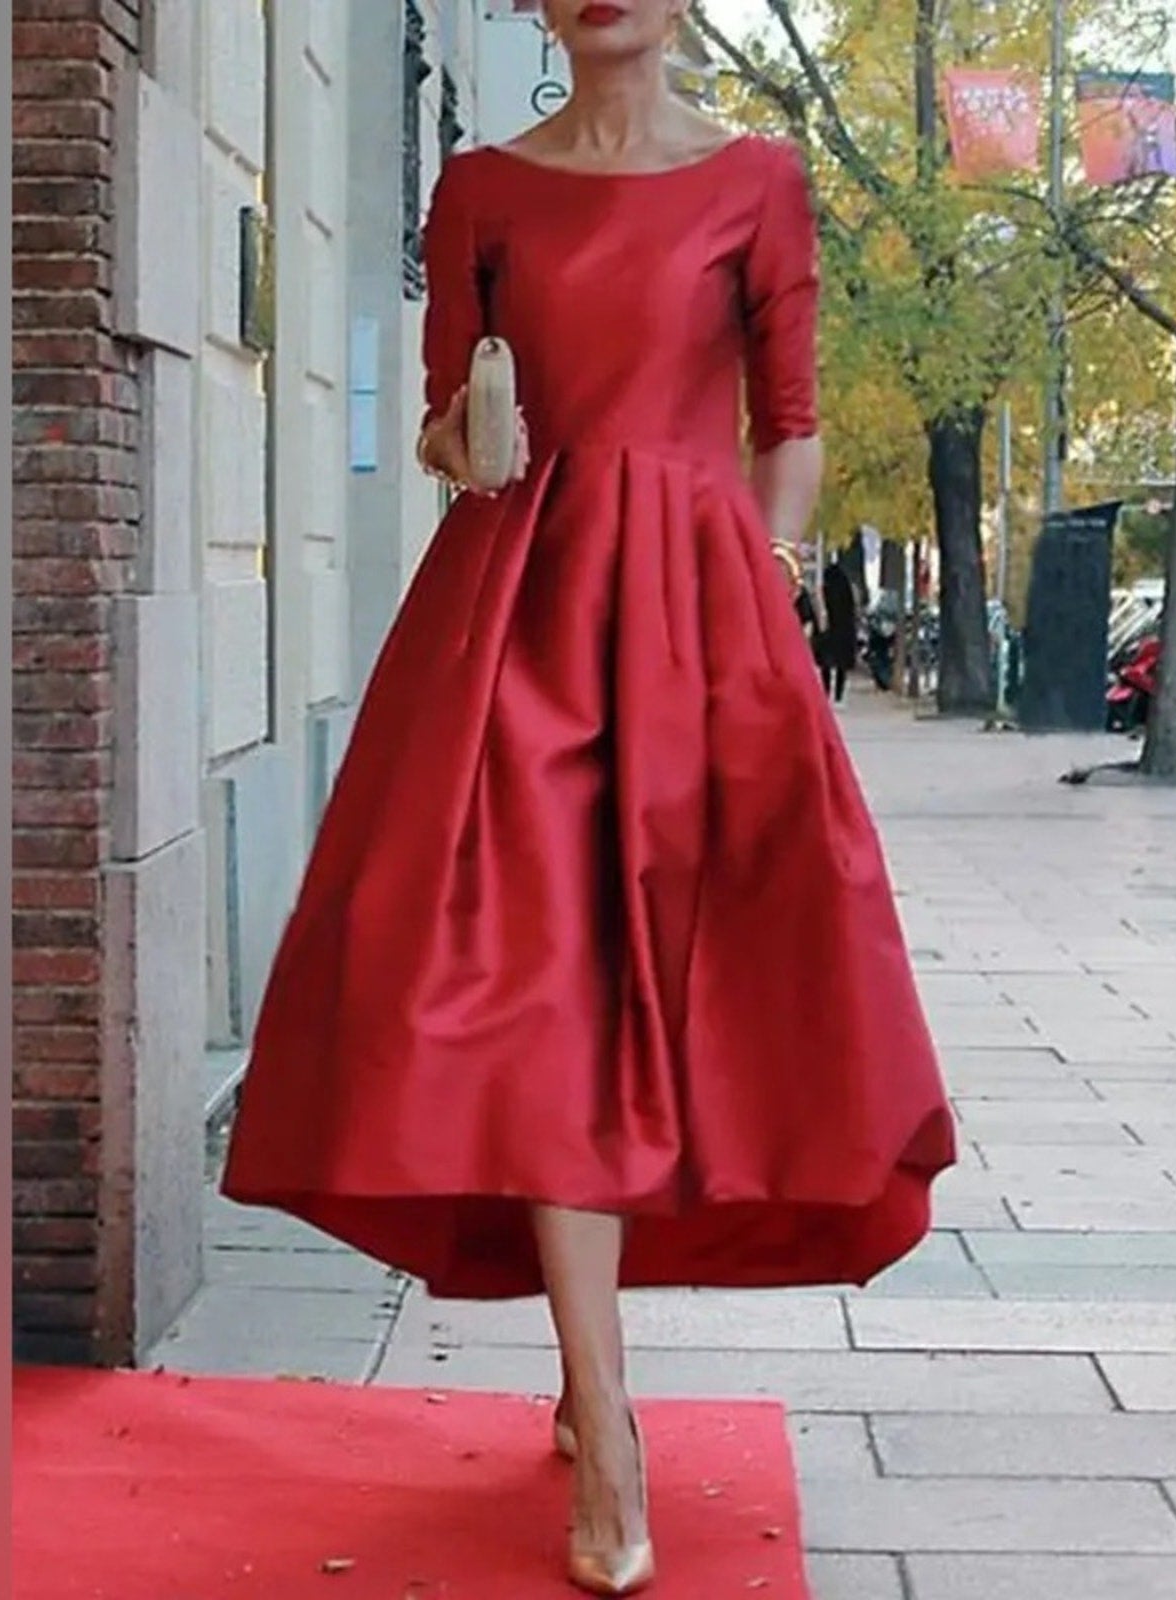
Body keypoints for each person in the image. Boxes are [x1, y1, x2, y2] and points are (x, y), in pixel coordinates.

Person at [219, 2, 955, 1591]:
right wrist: (461, 433)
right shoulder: (481, 182)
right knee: (542, 991)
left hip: (698, 622)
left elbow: (794, 427)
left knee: (685, 986)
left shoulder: (759, 176)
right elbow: (442, 423)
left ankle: (586, 1367)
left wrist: (753, 588)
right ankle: (608, 1417)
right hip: (520, 630)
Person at [819, 554, 858, 703]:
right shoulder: (846, 592)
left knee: (826, 664)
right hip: (844, 630)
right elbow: (852, 609)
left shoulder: (826, 589)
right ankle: (838, 694)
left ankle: (826, 691)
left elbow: (823, 609)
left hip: (828, 631)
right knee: (841, 665)